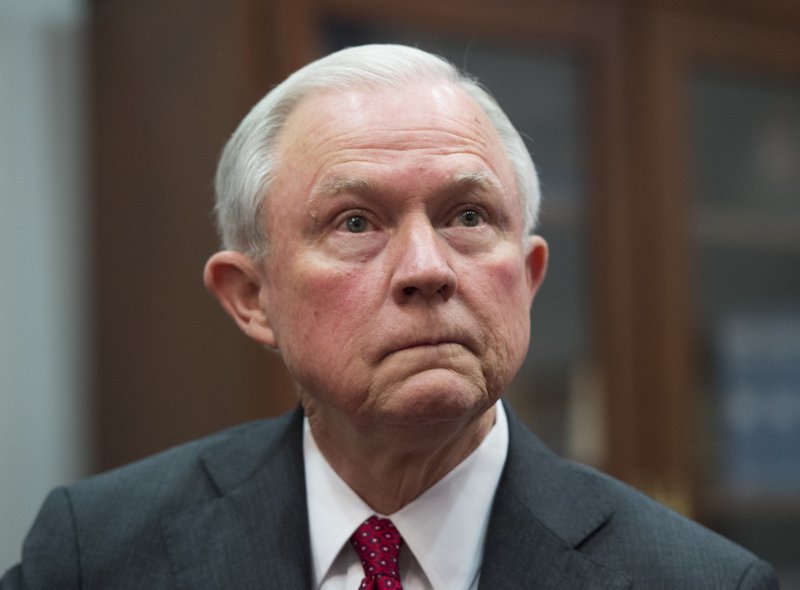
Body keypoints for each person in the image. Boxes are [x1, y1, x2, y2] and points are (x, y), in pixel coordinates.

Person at [1, 44, 778, 590]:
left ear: (529, 276)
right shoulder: (95, 552)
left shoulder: (702, 579)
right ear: (251, 297)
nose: (428, 269)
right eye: (355, 224)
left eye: (468, 215)